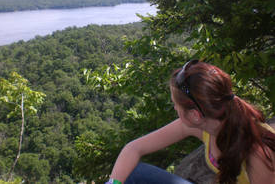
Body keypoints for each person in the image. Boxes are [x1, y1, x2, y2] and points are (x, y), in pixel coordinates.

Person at [105, 60, 275, 184]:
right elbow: (134, 148)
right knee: (135, 172)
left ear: (195, 115)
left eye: (175, 104)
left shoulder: (258, 154)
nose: (174, 108)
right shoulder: (206, 125)